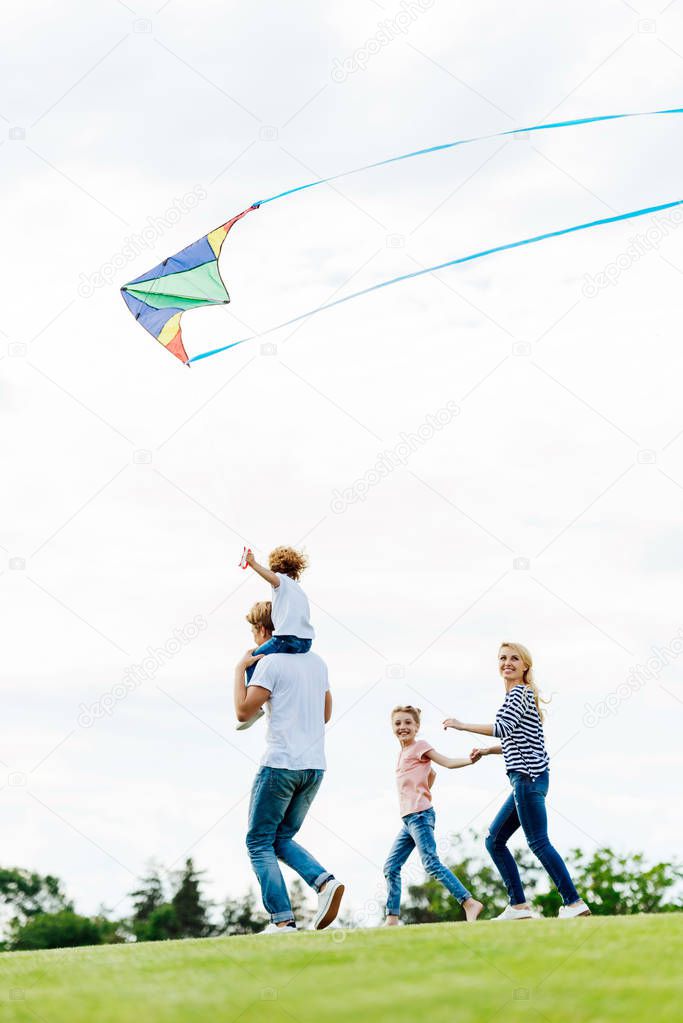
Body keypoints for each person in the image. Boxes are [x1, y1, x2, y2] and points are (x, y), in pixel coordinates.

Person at [443, 642, 590, 920]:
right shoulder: (521, 696)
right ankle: (519, 906)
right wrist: (488, 751)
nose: (507, 662)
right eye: (502, 658)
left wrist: (462, 725)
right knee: (494, 840)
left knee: (538, 842)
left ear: (525, 666)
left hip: (527, 779)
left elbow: (501, 728)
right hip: (527, 780)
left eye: (514, 658)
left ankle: (573, 903)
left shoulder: (519, 694)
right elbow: (520, 738)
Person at [234, 600, 343, 933]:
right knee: (281, 838)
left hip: (280, 765)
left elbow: (242, 711)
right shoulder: (318, 663)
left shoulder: (269, 664)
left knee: (258, 841)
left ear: (265, 630)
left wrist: (240, 670)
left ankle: (282, 920)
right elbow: (324, 714)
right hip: (314, 768)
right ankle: (324, 882)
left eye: (254, 630)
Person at [384, 705, 483, 926]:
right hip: (408, 820)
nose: (403, 727)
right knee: (391, 867)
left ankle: (469, 902)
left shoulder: (421, 746)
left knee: (430, 863)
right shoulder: (402, 754)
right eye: (398, 723)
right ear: (392, 727)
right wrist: (424, 789)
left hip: (420, 816)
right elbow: (431, 774)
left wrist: (470, 760)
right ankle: (391, 919)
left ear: (417, 726)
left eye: (408, 723)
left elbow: (445, 763)